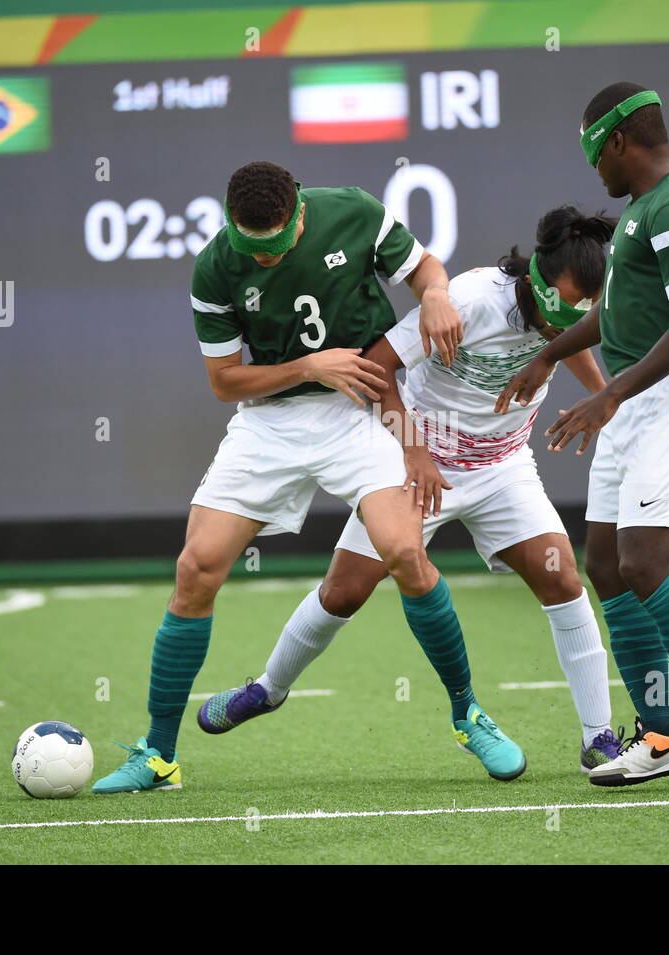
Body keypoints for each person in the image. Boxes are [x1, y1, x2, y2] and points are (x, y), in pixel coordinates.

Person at [92, 161, 528, 792]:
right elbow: (224, 382)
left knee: (405, 549)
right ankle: (157, 755)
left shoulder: (352, 210)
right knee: (196, 568)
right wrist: (308, 367)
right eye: (250, 247)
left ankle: (468, 714)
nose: (261, 260)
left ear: (298, 210)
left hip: (361, 410)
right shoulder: (216, 264)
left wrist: (434, 294)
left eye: (273, 247)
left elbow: (426, 267)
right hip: (269, 422)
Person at [198, 206, 625, 774]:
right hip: (416, 465)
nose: (567, 322)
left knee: (563, 577)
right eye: (562, 307)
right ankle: (269, 689)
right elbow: (376, 366)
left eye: (582, 314)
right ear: (536, 280)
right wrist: (413, 449)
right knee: (343, 593)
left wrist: (604, 398)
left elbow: (568, 336)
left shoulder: (563, 312)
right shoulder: (470, 300)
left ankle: (598, 738)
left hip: (502, 469)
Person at [498, 82, 669, 792]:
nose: (595, 172)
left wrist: (608, 394)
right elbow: (621, 315)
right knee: (609, 564)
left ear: (618, 141)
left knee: (648, 561)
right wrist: (550, 354)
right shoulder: (643, 210)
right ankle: (665, 732)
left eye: (595, 154)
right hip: (638, 400)